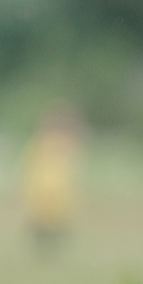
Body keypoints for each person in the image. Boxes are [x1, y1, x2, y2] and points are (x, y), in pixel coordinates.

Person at [22, 102, 85, 254]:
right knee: (45, 220)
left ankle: (50, 247)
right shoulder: (43, 143)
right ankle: (45, 247)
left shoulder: (52, 142)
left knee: (54, 221)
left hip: (54, 189)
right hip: (45, 188)